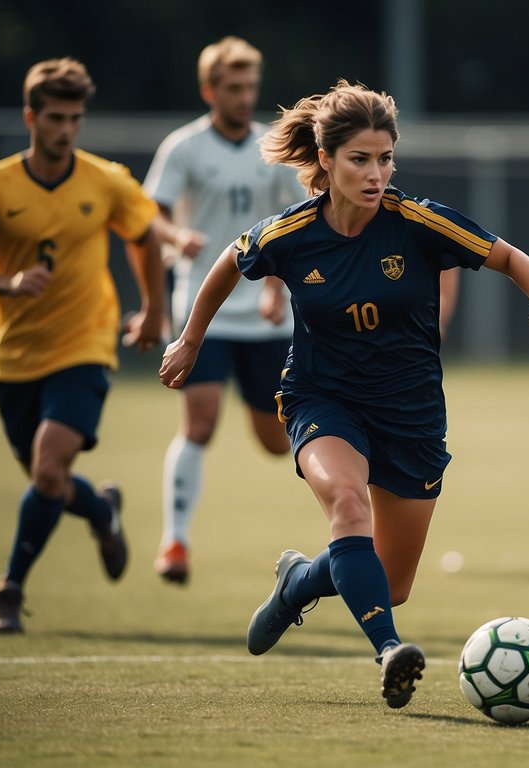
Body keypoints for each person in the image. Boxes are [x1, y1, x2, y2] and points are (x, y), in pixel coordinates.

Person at [158, 80, 529, 708]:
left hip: (410, 415)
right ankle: (389, 649)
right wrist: (190, 340)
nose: (376, 172)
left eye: (385, 158)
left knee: (391, 580)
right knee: (348, 509)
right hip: (322, 400)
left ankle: (298, 582)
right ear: (326, 160)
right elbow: (226, 263)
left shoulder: (418, 221)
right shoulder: (290, 234)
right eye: (360, 159)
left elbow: (512, 258)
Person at [0, 57, 166, 633]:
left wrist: (152, 313)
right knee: (51, 484)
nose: (66, 129)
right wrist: (5, 283)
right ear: (30, 117)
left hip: (86, 344)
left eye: (75, 118)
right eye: (56, 118)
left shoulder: (104, 180)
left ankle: (9, 589)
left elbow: (144, 237)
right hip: (15, 356)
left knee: (46, 470)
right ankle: (100, 510)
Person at [143, 37, 307, 585]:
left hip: (265, 314)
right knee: (201, 421)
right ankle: (175, 543)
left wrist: (274, 289)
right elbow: (153, 214)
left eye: (250, 87)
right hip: (203, 310)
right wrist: (175, 234)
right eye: (233, 88)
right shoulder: (184, 147)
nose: (244, 97)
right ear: (209, 89)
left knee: (274, 440)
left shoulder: (272, 147)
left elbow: (296, 223)